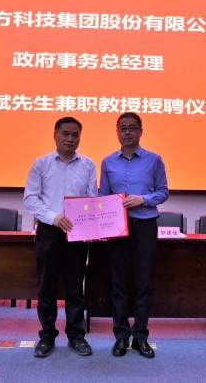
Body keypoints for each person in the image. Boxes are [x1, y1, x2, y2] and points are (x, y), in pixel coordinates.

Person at [23, 117, 97, 358]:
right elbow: (30, 198)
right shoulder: (41, 164)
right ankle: (46, 336)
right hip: (49, 231)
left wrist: (93, 228)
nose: (70, 139)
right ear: (55, 135)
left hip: (77, 233)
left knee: (76, 288)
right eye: (65, 133)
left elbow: (91, 200)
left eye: (75, 134)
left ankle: (76, 336)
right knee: (47, 288)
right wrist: (53, 217)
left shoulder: (88, 164)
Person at [99, 112, 169, 359]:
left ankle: (140, 336)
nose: (127, 132)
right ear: (117, 132)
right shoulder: (108, 162)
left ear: (140, 131)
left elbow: (163, 192)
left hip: (144, 226)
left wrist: (143, 199)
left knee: (143, 283)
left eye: (132, 128)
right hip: (117, 229)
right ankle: (121, 336)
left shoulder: (154, 160)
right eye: (123, 128)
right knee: (118, 284)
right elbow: (103, 197)